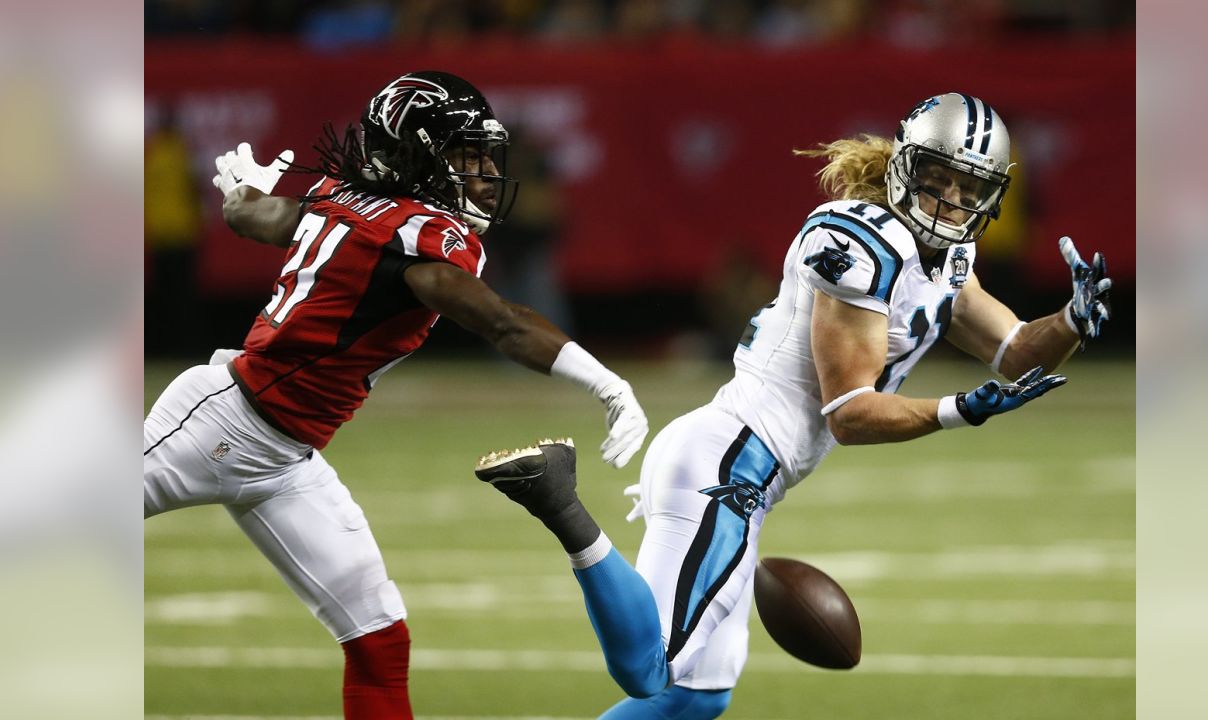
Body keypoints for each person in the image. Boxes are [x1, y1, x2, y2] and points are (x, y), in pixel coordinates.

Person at [475, 92, 1113, 719]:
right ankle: (556, 497)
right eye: (938, 179)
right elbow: (851, 413)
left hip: (748, 472)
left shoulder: (949, 258)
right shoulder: (858, 246)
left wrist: (1070, 322)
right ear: (904, 168)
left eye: (969, 188)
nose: (952, 202)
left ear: (992, 197)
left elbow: (1013, 350)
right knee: (648, 672)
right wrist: (957, 409)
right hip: (724, 464)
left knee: (696, 698)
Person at [142, 70, 650, 720]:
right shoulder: (413, 244)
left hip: (288, 462)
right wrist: (605, 382)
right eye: (466, 156)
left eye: (485, 155)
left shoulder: (346, 200)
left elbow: (259, 216)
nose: (485, 173)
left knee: (380, 640)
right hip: (220, 420)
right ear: (415, 154)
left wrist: (242, 193)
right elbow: (502, 321)